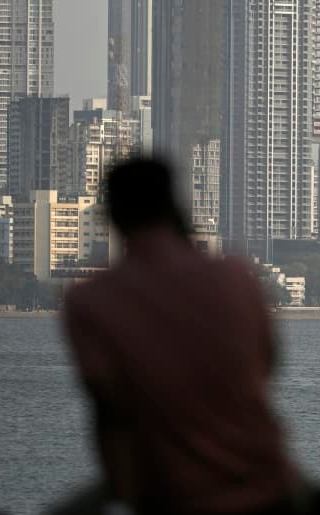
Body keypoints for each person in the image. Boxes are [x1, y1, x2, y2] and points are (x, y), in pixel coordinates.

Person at [61, 158, 301, 515]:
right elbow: (266, 368)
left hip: (167, 495)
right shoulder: (236, 277)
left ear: (112, 215)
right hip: (267, 486)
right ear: (175, 204)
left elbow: (110, 416)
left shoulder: (90, 301)